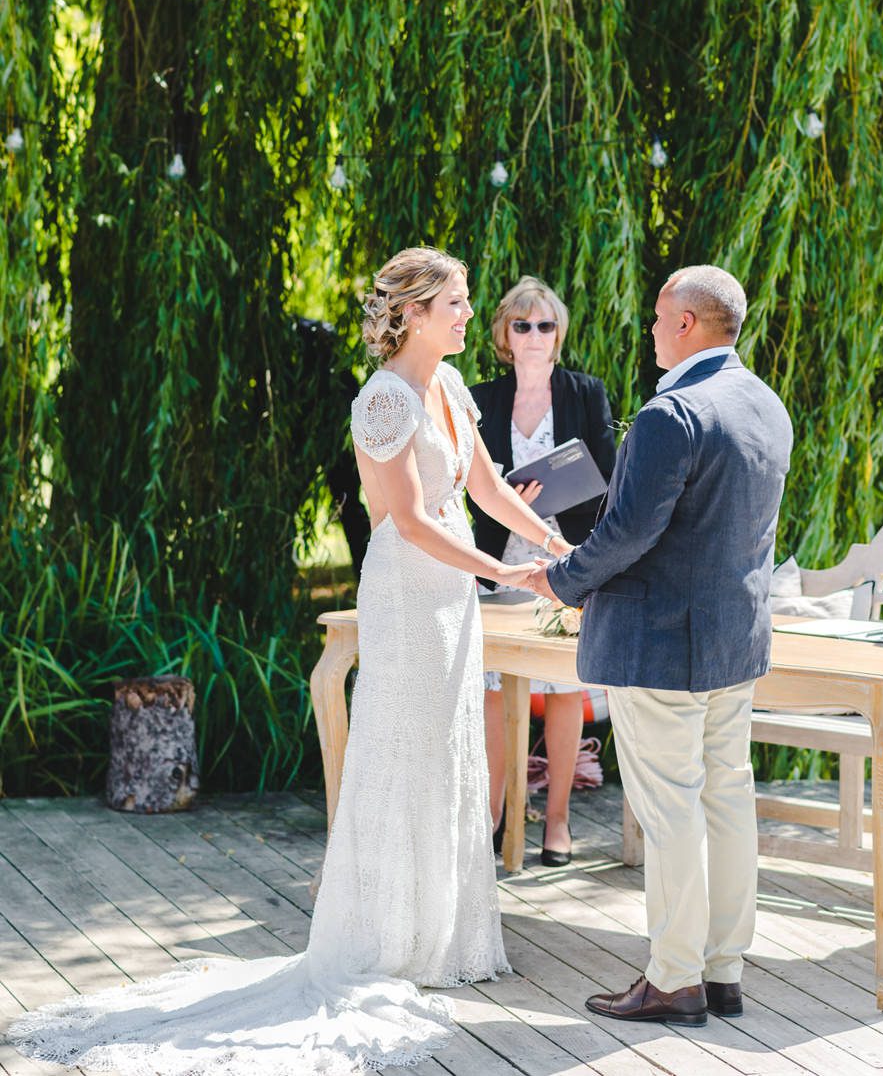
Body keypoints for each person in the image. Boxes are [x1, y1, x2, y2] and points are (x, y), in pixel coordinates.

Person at [8, 247, 570, 1074]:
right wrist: (504, 571)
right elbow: (408, 521)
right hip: (411, 591)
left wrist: (556, 546)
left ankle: (439, 938)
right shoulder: (382, 400)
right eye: (455, 302)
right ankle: (384, 939)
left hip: (452, 598)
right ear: (413, 313)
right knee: (398, 752)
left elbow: (485, 489)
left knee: (447, 754)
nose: (466, 314)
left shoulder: (449, 389)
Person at [511, 265, 792, 1028]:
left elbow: (628, 533)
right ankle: (723, 970)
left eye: (661, 317)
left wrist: (559, 579)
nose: (651, 329)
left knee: (671, 813)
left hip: (661, 644)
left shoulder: (673, 415)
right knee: (727, 800)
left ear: (690, 326)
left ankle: (674, 979)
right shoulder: (765, 404)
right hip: (735, 642)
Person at [471, 275, 616, 866]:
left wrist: (546, 506)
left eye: (545, 325)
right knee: (493, 687)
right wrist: (511, 507)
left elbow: (607, 478)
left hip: (564, 557)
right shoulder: (481, 399)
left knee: (562, 689)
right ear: (505, 335)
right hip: (495, 561)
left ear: (559, 335)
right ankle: (492, 816)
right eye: (522, 324)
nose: (534, 335)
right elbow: (465, 484)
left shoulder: (585, 393)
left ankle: (557, 822)